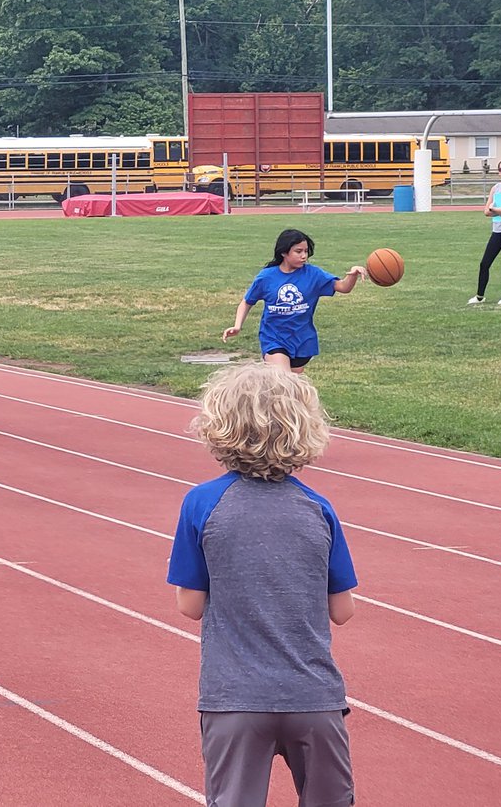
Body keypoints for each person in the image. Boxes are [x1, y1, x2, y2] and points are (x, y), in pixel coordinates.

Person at [167, 361, 357, 807]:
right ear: (304, 428)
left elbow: (190, 606)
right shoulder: (318, 508)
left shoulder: (202, 503)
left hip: (234, 698)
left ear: (218, 426)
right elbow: (343, 611)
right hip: (313, 697)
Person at [222, 229, 367, 373]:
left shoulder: (313, 274)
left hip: (302, 340)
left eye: (306, 251)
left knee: (293, 382)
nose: (304, 256)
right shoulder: (266, 277)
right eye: (298, 251)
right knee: (283, 378)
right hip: (274, 339)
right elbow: (247, 301)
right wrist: (237, 326)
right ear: (284, 252)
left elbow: (343, 287)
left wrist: (353, 274)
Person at [468, 159, 501, 306]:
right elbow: (486, 211)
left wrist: (494, 209)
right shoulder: (495, 188)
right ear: (498, 172)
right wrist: (499, 209)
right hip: (497, 230)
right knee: (484, 263)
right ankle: (479, 296)